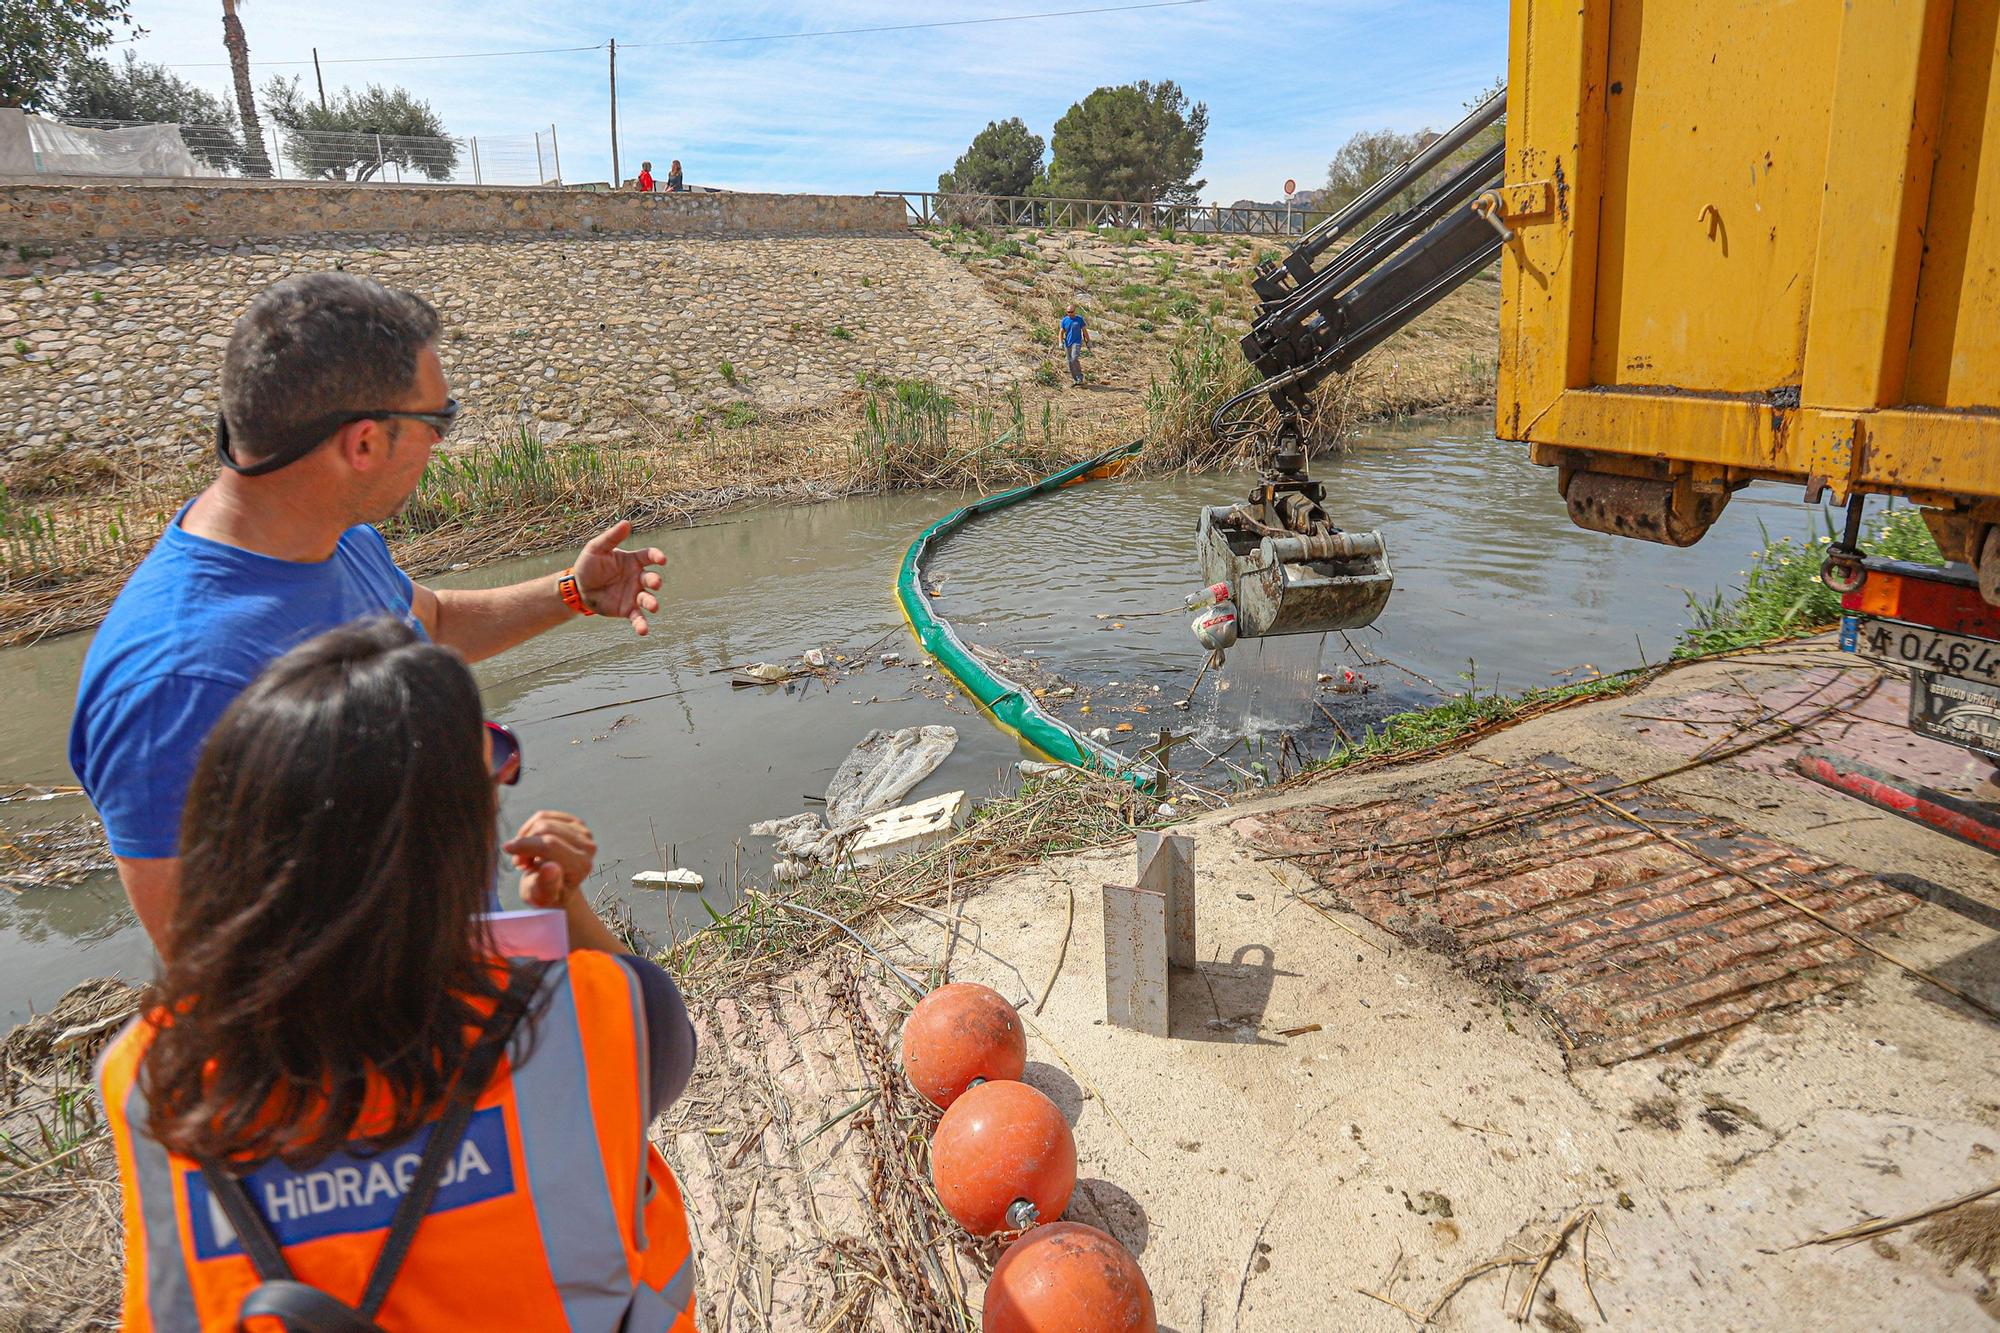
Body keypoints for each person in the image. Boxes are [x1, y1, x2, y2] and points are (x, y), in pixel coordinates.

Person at [98, 618, 697, 1329]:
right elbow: (656, 1033)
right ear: (452, 843)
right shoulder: (598, 1016)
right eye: (492, 775)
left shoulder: (150, 1077)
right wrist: (564, 904)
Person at [70, 273, 668, 953]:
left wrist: (573, 592)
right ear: (362, 444)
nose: (442, 443)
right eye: (439, 421)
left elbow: (434, 624)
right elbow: (214, 972)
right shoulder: (174, 682)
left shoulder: (334, 540)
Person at [1059, 303, 1091, 387]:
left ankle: (1080, 377)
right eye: (1068, 312)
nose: (1070, 313)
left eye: (1071, 311)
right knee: (1069, 362)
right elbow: (1061, 332)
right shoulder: (1065, 320)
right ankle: (1075, 379)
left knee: (1074, 358)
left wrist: (1088, 341)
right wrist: (1060, 342)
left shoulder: (1079, 319)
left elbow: (1084, 331)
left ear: (1074, 311)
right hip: (1067, 343)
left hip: (1076, 342)